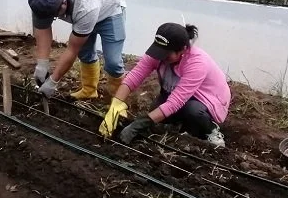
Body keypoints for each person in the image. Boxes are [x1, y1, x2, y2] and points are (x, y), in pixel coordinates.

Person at [99, 23, 231, 148]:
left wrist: (138, 125)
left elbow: (176, 102)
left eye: (166, 54)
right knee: (155, 110)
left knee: (192, 111)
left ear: (183, 50)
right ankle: (181, 124)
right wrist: (115, 106)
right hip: (176, 92)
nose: (161, 57)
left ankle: (212, 130)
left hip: (207, 98)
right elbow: (134, 76)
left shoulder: (197, 63)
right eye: (159, 52)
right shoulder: (159, 51)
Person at [28, 0, 126, 100]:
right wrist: (42, 64)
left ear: (64, 3)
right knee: (85, 53)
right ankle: (89, 91)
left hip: (110, 7)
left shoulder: (85, 7)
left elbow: (72, 48)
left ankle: (118, 100)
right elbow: (43, 28)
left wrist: (53, 81)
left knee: (113, 62)